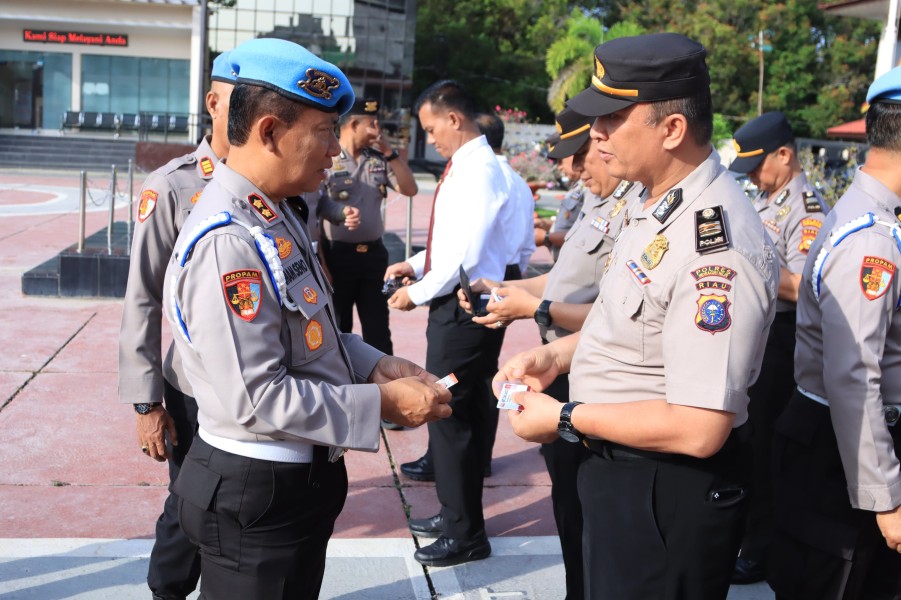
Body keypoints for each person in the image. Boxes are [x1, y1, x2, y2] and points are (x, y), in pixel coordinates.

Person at [161, 38, 451, 600]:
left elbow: (306, 332)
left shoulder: (275, 213)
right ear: (270, 131)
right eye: (322, 133)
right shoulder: (231, 242)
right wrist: (382, 405)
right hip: (256, 489)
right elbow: (257, 397)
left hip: (294, 480)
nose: (334, 152)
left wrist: (375, 364)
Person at [496, 33, 778, 599]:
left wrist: (566, 418)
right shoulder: (654, 202)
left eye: (613, 118)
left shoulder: (713, 245)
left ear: (671, 129)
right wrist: (554, 354)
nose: (595, 134)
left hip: (663, 492)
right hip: (624, 475)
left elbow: (700, 428)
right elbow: (629, 321)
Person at [460, 105, 642, 600]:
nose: (576, 169)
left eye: (583, 155)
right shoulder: (595, 202)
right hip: (560, 361)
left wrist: (532, 305)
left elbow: (618, 314)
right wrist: (507, 288)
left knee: (589, 511)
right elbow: (563, 280)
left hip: (593, 369)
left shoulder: (633, 210)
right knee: (568, 502)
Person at [766, 66, 901, 600]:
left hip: (847, 440)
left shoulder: (873, 218)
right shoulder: (872, 240)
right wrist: (885, 499)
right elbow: (853, 376)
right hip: (842, 449)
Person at [118, 49, 236, 600]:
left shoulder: (287, 185)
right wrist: (146, 404)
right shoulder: (172, 186)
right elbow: (141, 298)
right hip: (193, 387)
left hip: (268, 385)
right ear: (214, 103)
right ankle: (167, 591)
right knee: (192, 501)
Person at [384, 79, 508, 567]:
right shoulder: (469, 166)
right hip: (461, 304)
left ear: (454, 119)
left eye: (433, 129)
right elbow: (450, 242)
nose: (430, 139)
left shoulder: (478, 171)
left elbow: (464, 253)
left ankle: (465, 532)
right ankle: (458, 514)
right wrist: (416, 265)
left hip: (463, 312)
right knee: (465, 411)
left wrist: (414, 293)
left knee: (449, 411)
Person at [727, 111, 829, 584]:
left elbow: (805, 286)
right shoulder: (769, 201)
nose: (750, 175)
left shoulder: (805, 210)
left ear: (784, 155)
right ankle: (750, 535)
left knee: (767, 448)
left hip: (783, 343)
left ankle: (762, 548)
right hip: (759, 338)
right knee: (748, 442)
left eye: (756, 164)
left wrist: (746, 267)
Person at [318, 97, 417, 356]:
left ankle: (386, 389)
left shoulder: (379, 158)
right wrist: (322, 263)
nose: (378, 129)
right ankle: (344, 384)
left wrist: (389, 152)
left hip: (374, 257)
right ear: (353, 124)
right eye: (372, 123)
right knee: (339, 328)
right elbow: (315, 211)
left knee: (378, 331)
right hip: (338, 257)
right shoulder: (327, 157)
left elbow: (410, 189)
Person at [476, 112, 535, 279]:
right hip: (512, 272)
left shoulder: (483, 176)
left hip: (483, 274)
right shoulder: (521, 183)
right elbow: (528, 245)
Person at [534, 146, 586, 261]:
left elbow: (585, 235)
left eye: (561, 160)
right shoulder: (577, 187)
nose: (560, 167)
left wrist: (546, 237)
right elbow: (571, 223)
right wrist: (545, 224)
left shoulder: (589, 188)